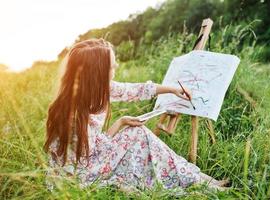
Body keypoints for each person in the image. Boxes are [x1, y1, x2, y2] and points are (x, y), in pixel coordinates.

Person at [43, 38, 228, 192]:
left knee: (137, 132)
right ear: (95, 74)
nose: (115, 70)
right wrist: (120, 125)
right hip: (81, 176)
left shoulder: (96, 90)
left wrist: (172, 89)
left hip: (89, 163)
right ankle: (199, 181)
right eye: (111, 68)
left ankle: (199, 178)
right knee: (139, 134)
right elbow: (83, 166)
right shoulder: (73, 116)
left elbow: (135, 90)